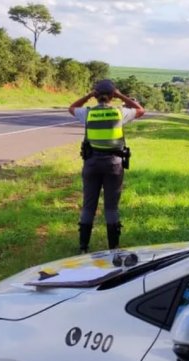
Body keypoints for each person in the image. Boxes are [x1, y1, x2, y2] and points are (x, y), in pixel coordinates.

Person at [68, 80, 145, 253]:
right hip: (114, 165)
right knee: (111, 207)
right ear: (112, 96)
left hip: (91, 163)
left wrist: (88, 95)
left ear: (95, 96)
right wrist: (120, 95)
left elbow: (71, 107)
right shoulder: (119, 113)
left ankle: (83, 248)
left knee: (89, 205)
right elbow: (140, 110)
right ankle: (114, 249)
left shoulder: (87, 113)